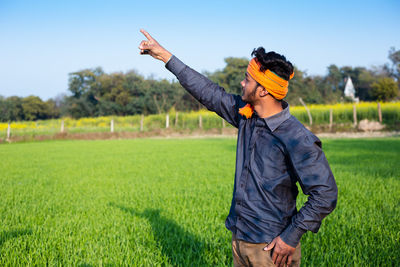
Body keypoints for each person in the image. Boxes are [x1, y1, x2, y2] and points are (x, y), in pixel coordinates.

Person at [138, 29, 338, 267]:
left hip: (271, 247)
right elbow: (208, 93)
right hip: (240, 238)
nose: (242, 82)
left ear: (263, 89)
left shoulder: (296, 137)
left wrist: (290, 237)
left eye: (247, 79)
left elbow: (325, 193)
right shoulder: (247, 117)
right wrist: (165, 56)